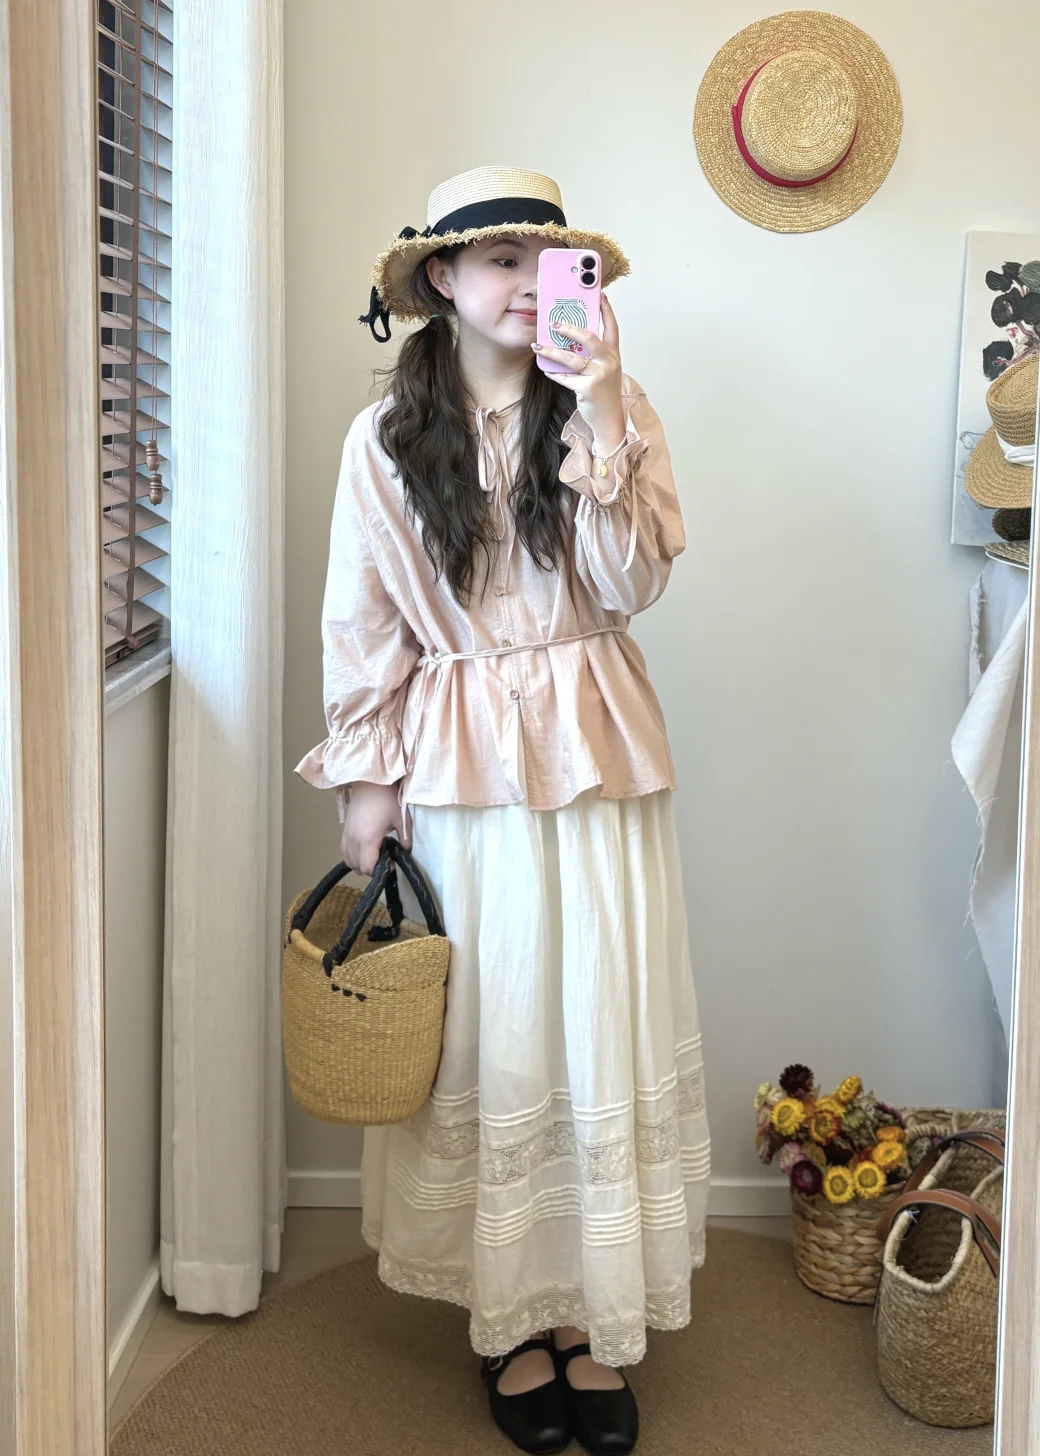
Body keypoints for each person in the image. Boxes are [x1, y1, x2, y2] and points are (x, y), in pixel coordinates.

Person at [295, 166, 711, 1456]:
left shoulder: (607, 406)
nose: (532, 287)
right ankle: (507, 1320)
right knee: (493, 1025)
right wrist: (367, 787)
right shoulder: (383, 440)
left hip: (595, 747)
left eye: (550, 263)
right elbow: (363, 618)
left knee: (596, 1015)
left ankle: (585, 1311)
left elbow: (630, 585)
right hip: (458, 759)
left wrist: (602, 404)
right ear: (443, 278)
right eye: (502, 263)